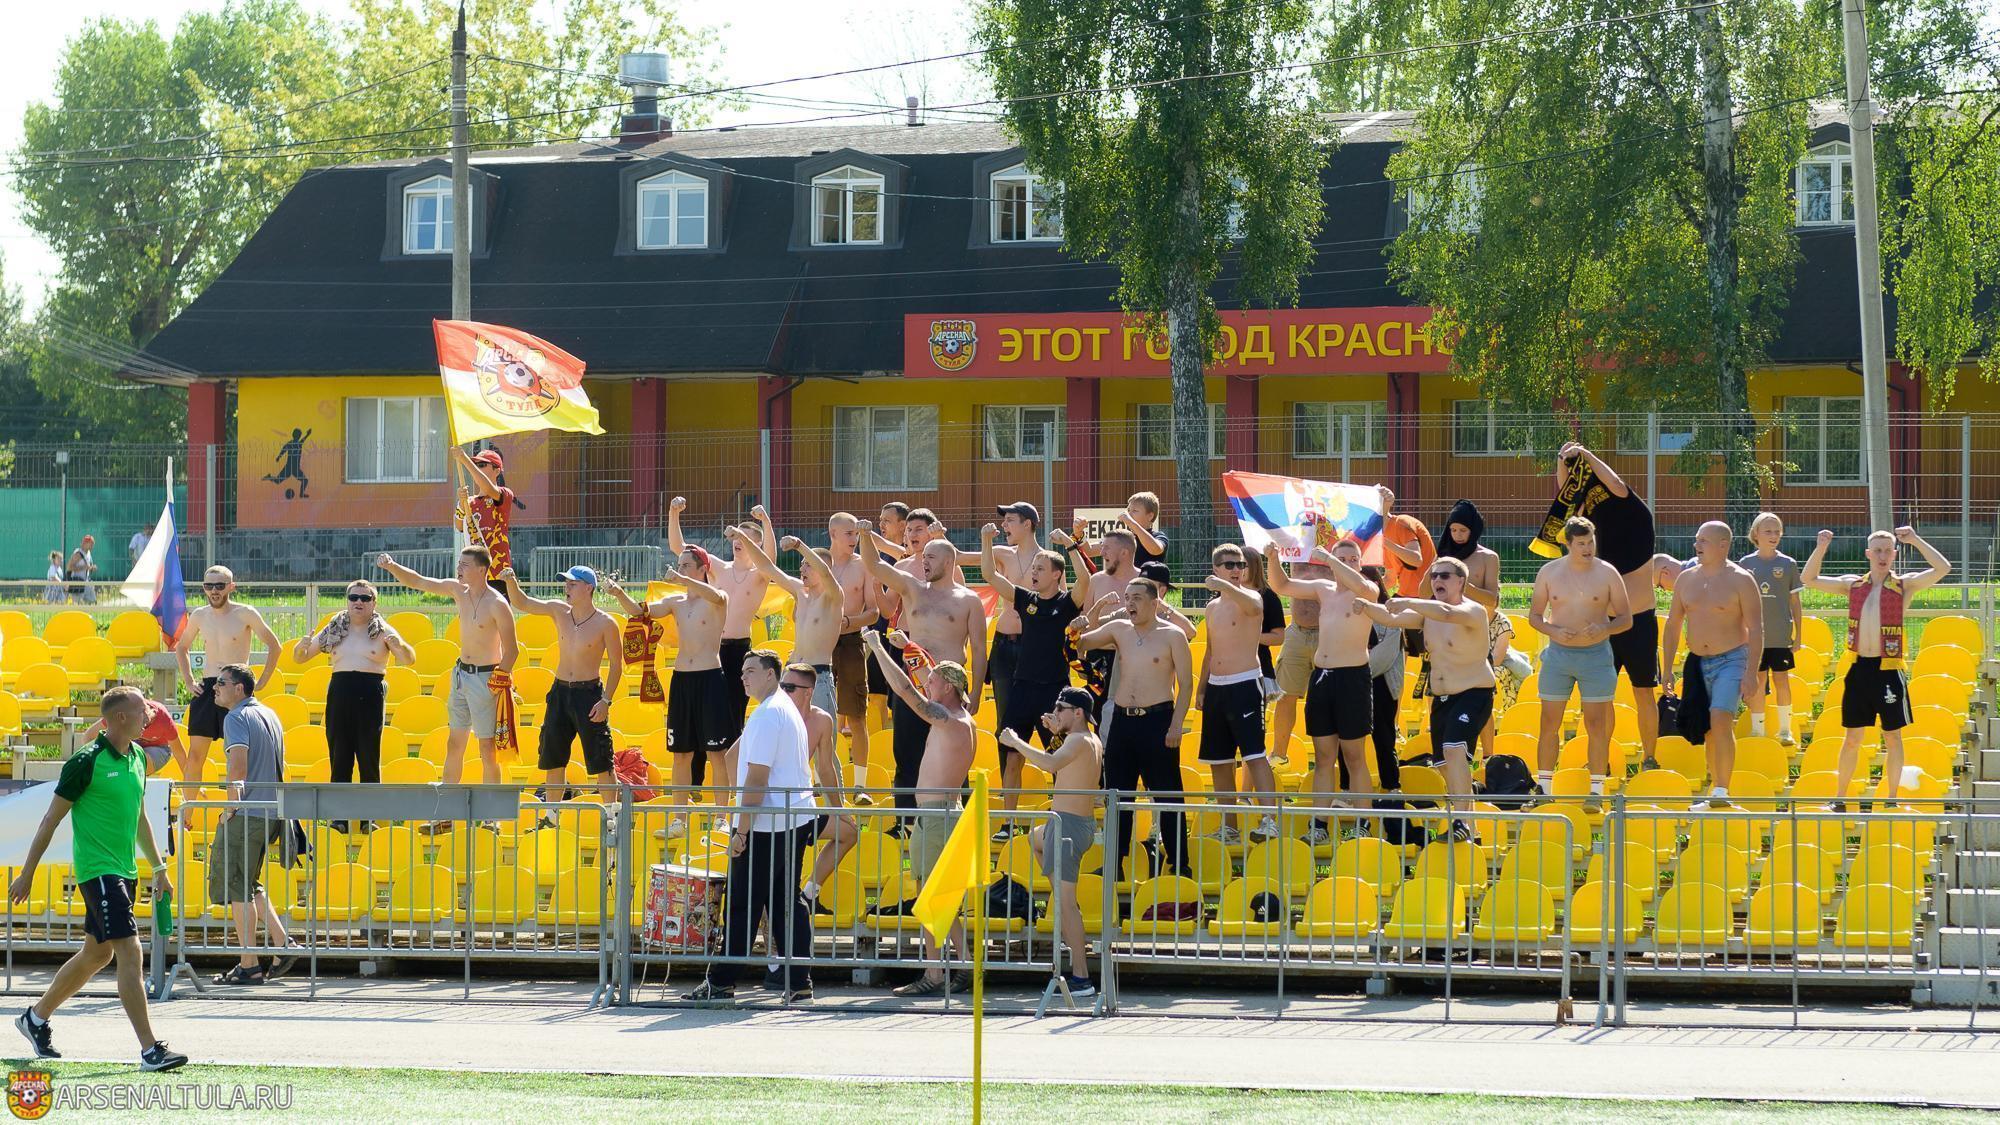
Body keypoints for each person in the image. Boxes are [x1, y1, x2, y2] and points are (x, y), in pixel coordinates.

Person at [10, 687, 187, 1071]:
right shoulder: (85, 761)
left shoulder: (138, 756)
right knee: (130, 951)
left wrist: (159, 868)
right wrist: (27, 873)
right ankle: (150, 1050)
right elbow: (50, 819)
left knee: (98, 954)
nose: (150, 716)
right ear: (121, 717)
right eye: (143, 710)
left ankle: (34, 1019)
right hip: (98, 872)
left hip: (124, 871)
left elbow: (139, 816)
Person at [682, 650, 819, 1004]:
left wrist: (740, 831)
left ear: (771, 675)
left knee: (744, 903)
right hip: (791, 819)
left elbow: (756, 779)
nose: (743, 676)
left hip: (767, 825)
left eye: (751, 671)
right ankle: (798, 979)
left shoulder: (769, 713)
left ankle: (722, 981)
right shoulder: (781, 709)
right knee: (785, 902)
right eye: (742, 671)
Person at [1802, 526, 1952, 811]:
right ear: (1868, 554)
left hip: (1888, 668)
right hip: (1859, 668)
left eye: (1887, 551)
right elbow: (1808, 579)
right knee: (1852, 738)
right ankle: (1840, 798)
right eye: (1878, 551)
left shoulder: (1904, 585)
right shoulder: (1853, 584)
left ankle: (1891, 798)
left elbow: (1943, 568)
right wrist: (1821, 547)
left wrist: (1915, 540)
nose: (1883, 556)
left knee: (1893, 737)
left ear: (1894, 554)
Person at [860, 629, 977, 998]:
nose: (928, 685)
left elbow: (905, 691)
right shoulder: (959, 717)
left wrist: (878, 649)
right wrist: (908, 650)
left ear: (949, 687)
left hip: (937, 816)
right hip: (939, 815)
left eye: (934, 682)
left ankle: (934, 972)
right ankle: (964, 963)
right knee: (937, 896)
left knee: (929, 897)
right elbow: (922, 680)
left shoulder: (949, 718)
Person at [1356, 557, 1495, 842]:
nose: (1437, 580)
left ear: (1461, 581)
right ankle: (1472, 829)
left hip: (1474, 693)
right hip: (1442, 698)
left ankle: (1460, 821)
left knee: (1454, 751)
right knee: (1445, 765)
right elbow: (1390, 618)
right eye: (1433, 576)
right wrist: (1363, 605)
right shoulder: (1429, 613)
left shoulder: (1472, 610)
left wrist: (1408, 600)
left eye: (1444, 575)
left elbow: (1446, 612)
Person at [858, 524, 987, 812]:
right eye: (923, 556)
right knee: (906, 753)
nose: (924, 561)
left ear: (949, 562)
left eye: (931, 557)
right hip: (914, 681)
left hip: (950, 685)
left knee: (954, 754)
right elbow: (874, 565)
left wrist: (977, 692)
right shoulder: (912, 588)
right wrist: (865, 535)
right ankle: (904, 821)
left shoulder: (968, 600)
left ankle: (958, 819)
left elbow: (979, 650)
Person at [1073, 578, 1192, 883]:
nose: (1130, 604)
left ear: (1155, 603)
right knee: (1117, 796)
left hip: (1158, 721)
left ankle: (1180, 865)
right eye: (1127, 598)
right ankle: (1114, 864)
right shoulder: (1119, 630)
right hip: (1123, 721)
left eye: (1137, 598)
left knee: (1168, 796)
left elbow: (1186, 684)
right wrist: (1080, 623)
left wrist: (1176, 725)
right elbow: (1080, 643)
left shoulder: (1173, 635)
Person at [1266, 539, 1380, 841]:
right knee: (1323, 757)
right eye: (1342, 558)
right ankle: (1319, 826)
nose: (1346, 563)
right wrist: (1273, 558)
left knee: (1354, 757)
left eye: (1352, 559)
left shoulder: (1367, 589)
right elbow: (1282, 585)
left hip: (1352, 678)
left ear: (1360, 562)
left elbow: (1361, 585)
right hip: (1322, 678)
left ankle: (1362, 825)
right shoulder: (1323, 589)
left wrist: (1331, 559)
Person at [606, 552, 727, 833]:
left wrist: (683, 579)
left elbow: (718, 598)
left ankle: (722, 817)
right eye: (680, 565)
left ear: (702, 568)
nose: (680, 569)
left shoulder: (717, 597)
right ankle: (679, 819)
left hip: (710, 679)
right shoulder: (675, 601)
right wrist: (619, 593)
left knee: (716, 753)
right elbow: (640, 611)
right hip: (682, 679)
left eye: (686, 565)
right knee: (680, 754)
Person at [1557, 443, 1661, 768]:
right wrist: (1562, 459)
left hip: (1639, 620)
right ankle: (1600, 760)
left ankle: (1650, 757)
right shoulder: (1588, 526)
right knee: (1600, 697)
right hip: (1604, 625)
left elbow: (1615, 483)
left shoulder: (1634, 511)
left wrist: (1587, 455)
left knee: (1644, 691)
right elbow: (1564, 498)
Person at [378, 548, 519, 784]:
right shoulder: (458, 590)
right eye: (459, 563)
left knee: (487, 749)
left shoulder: (497, 603)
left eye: (465, 565)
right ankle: (448, 800)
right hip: (461, 676)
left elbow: (512, 650)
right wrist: (392, 566)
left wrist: (499, 680)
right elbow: (419, 582)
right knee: (454, 743)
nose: (459, 568)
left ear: (481, 570)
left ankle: (491, 806)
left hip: (486, 678)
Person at [998, 685, 1103, 1000]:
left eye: (1061, 709)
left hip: (1068, 826)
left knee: (1066, 906)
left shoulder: (1079, 740)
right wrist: (1056, 732)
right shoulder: (1087, 739)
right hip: (1068, 825)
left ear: (1078, 713)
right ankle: (1065, 901)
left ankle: (1081, 978)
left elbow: (1050, 765)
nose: (1055, 713)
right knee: (1034, 839)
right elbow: (1064, 761)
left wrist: (1016, 742)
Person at [981, 524, 1084, 835]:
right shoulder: (1026, 598)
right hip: (1022, 688)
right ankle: (1009, 823)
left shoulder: (1066, 603)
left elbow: (1086, 581)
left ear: (1056, 574)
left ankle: (1063, 820)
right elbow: (990, 575)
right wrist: (986, 540)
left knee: (1058, 759)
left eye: (1040, 568)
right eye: (1033, 567)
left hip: (1055, 693)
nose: (1034, 572)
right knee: (1012, 757)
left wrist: (1070, 546)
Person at [205, 663, 303, 984]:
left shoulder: (236, 717)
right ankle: (283, 943)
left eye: (221, 683)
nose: (215, 687)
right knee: (249, 883)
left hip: (248, 813)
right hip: (272, 811)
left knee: (237, 886)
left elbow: (238, 768)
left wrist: (231, 808)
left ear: (239, 689)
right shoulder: (270, 714)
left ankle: (249, 964)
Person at [1528, 517, 1633, 810]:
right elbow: (1534, 616)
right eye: (1581, 544)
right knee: (1549, 722)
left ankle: (1596, 791)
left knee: (1597, 724)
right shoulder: (1549, 572)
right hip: (1558, 655)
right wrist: (1553, 630)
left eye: (1590, 542)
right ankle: (1544, 788)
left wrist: (1605, 628)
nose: (1587, 548)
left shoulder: (1608, 572)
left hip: (1596, 656)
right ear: (1568, 544)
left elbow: (1626, 618)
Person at [1660, 522, 1763, 810]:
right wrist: (1667, 669)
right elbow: (1673, 624)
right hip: (1696, 662)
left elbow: (1756, 628)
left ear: (1723, 545)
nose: (1697, 545)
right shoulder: (1686, 579)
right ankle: (1714, 791)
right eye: (1697, 540)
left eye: (1703, 540)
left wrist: (1751, 673)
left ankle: (1722, 790)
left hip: (1732, 659)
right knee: (1706, 729)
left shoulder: (1742, 580)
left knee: (1720, 719)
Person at [500, 565, 623, 801]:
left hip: (589, 694)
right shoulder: (559, 610)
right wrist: (511, 581)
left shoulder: (606, 623)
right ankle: (552, 814)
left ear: (588, 588)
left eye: (573, 584)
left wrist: (605, 700)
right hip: (560, 692)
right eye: (566, 583)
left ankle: (612, 816)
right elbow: (523, 603)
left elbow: (617, 665)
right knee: (553, 759)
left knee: (602, 760)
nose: (567, 588)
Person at [672, 498, 777, 750]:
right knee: (705, 710)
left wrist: (765, 521)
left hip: (739, 649)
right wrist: (673, 513)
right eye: (736, 537)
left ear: (757, 544)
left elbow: (770, 560)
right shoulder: (718, 567)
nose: (738, 541)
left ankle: (734, 765)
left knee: (734, 712)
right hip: (712, 647)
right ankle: (700, 768)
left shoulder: (759, 575)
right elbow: (680, 548)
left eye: (746, 538)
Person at [1195, 544, 1281, 845]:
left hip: (1245, 684)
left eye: (1240, 565)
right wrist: (1202, 688)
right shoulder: (1212, 607)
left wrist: (1225, 586)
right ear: (1216, 568)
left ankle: (1270, 820)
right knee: (1219, 761)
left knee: (1255, 755)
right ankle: (1229, 826)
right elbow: (1210, 650)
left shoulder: (1252, 596)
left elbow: (1255, 608)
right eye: (1229, 565)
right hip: (1217, 687)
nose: (1236, 570)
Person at [291, 580, 413, 791]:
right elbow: (300, 658)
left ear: (374, 603)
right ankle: (339, 811)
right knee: (339, 756)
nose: (359, 602)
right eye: (353, 597)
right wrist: (299, 647)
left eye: (365, 598)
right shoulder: (335, 626)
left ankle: (370, 810)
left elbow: (409, 659)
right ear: (347, 601)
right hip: (340, 689)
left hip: (370, 691)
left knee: (368, 756)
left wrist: (400, 646)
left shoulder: (383, 630)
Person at [176, 566, 282, 784]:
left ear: (231, 587)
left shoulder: (245, 613)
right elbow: (182, 647)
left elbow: (275, 646)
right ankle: (188, 807)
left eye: (219, 585)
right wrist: (188, 680)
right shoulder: (199, 615)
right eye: (209, 586)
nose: (214, 591)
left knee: (239, 757)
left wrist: (262, 681)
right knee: (195, 757)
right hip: (208, 687)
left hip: (236, 688)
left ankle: (239, 803)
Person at [729, 528, 845, 719]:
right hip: (790, 673)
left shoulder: (833, 597)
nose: (802, 569)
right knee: (787, 733)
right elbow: (767, 567)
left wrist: (799, 545)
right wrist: (743, 538)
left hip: (816, 676)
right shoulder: (800, 592)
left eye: (808, 565)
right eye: (802, 564)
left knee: (818, 735)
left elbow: (825, 572)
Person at [790, 664, 859, 917]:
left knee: (849, 832)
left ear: (808, 691)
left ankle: (809, 894)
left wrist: (839, 809)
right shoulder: (775, 715)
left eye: (789, 687)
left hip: (801, 808)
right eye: (782, 686)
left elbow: (825, 768)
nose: (783, 691)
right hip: (775, 809)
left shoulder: (821, 719)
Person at [825, 512, 881, 791]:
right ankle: (820, 781)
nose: (854, 539)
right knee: (817, 714)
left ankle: (860, 787)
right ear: (833, 534)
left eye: (856, 534)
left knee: (857, 715)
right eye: (849, 533)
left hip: (850, 642)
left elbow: (873, 612)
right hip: (821, 643)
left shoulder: (863, 566)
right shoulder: (818, 562)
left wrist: (848, 622)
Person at [981, 502, 1044, 745]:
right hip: (1004, 646)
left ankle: (1051, 766)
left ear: (1027, 524)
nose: (1003, 525)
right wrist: (937, 537)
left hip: (1034, 646)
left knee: (1045, 721)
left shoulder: (1048, 560)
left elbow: (1061, 603)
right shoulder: (1001, 553)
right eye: (1003, 520)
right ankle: (1007, 769)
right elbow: (959, 557)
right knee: (1005, 722)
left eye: (1009, 520)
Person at [1740, 512, 1804, 744]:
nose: (1773, 535)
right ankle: (1758, 731)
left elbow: (1795, 602)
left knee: (1781, 681)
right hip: (1754, 638)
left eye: (1777, 531)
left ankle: (1785, 731)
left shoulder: (1788, 564)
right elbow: (1738, 602)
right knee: (1757, 681)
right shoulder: (1745, 564)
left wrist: (1798, 634)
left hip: (1780, 636)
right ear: (1756, 534)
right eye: (1768, 531)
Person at [1270, 554, 1329, 761]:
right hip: (1297, 630)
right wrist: (1272, 556)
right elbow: (1278, 583)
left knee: (1327, 700)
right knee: (1285, 696)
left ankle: (1328, 759)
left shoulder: (1337, 544)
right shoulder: (1295, 544)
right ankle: (1279, 756)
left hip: (1329, 631)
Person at [455, 447, 516, 581]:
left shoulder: (504, 494)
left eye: (482, 465)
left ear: (497, 471)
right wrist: (461, 504)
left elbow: (487, 487)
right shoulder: (469, 501)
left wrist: (464, 459)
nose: (477, 468)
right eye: (476, 465)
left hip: (498, 572)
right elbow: (459, 526)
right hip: (474, 573)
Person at [1437, 499, 1501, 608]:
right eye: (1453, 530)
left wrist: (1463, 585)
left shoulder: (1488, 557)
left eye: (1463, 530)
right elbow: (1423, 594)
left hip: (1473, 616)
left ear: (1473, 530)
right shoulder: (1442, 556)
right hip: (1445, 616)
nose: (1458, 535)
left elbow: (1492, 601)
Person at [1375, 488, 1435, 599]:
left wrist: (1384, 542)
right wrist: (1363, 590)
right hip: (1406, 595)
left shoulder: (1401, 523)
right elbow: (1390, 579)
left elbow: (1416, 559)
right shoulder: (1382, 537)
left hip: (1425, 596)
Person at [1122, 491, 1168, 567]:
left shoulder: (1158, 536)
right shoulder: (1125, 537)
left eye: (1135, 511)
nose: (1129, 515)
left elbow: (1155, 550)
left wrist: (1131, 523)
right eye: (1128, 510)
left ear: (1150, 516)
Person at [68, 535, 98, 604]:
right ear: (85, 543)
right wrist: (83, 568)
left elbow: (87, 567)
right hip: (77, 583)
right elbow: (69, 567)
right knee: (77, 605)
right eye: (91, 544)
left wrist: (91, 568)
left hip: (86, 582)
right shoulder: (78, 554)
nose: (92, 546)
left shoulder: (88, 553)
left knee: (92, 603)